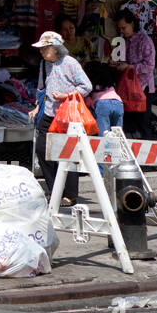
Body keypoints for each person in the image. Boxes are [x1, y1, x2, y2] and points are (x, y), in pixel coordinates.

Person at [32, 31, 93, 206]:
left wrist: (66, 96)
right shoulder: (44, 65)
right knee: (43, 149)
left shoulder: (70, 63)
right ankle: (54, 190)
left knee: (68, 153)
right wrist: (37, 106)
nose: (42, 52)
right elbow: (41, 87)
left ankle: (70, 194)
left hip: (67, 116)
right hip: (49, 113)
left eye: (45, 48)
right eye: (41, 49)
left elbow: (86, 86)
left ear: (56, 48)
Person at [115, 8, 156, 137]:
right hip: (127, 88)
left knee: (143, 124)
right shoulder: (124, 41)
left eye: (124, 28)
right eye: (119, 29)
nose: (121, 31)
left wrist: (129, 67)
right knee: (128, 124)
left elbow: (149, 66)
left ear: (132, 24)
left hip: (142, 88)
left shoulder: (145, 41)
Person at [83, 62, 124, 133]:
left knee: (104, 134)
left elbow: (87, 103)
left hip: (102, 104)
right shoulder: (109, 83)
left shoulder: (91, 86)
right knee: (118, 134)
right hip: (118, 103)